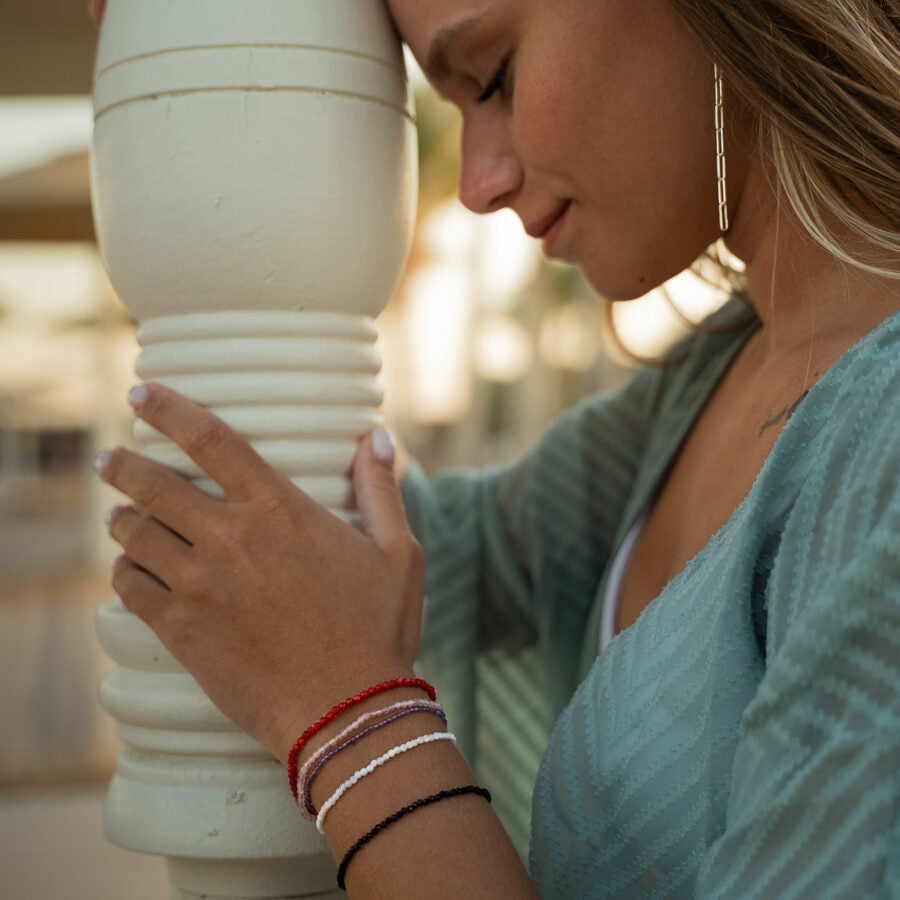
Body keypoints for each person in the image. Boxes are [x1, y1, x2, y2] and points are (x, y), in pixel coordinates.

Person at [90, 0, 900, 896]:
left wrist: (352, 723)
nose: (477, 182)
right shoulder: (707, 387)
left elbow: (332, 631)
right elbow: (339, 558)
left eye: (495, 77)